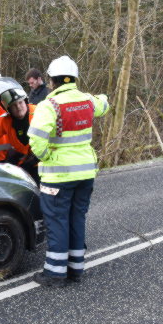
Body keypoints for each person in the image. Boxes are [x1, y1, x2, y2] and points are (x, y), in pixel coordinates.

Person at [28, 55, 109, 287]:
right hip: (85, 175)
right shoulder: (88, 102)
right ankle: (76, 268)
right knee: (76, 218)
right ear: (74, 78)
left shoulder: (49, 106)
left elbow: (36, 140)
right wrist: (96, 97)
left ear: (51, 81)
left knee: (57, 221)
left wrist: (46, 157)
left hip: (58, 176)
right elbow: (105, 103)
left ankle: (55, 273)